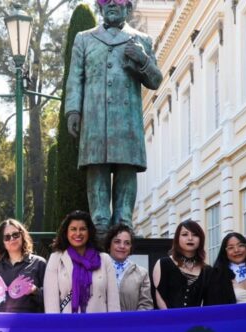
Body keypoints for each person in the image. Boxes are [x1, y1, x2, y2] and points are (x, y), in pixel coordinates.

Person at [64, 0, 163, 233]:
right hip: (94, 117)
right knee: (96, 167)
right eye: (105, 1)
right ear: (100, 7)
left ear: (128, 8)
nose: (111, 5)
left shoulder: (142, 40)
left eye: (117, 2)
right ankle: (99, 223)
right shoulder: (84, 39)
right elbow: (75, 78)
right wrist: (73, 110)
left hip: (127, 120)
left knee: (126, 168)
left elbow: (156, 80)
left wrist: (142, 59)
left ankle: (123, 222)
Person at [44, 211, 119, 313]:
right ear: (66, 232)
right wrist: (56, 328)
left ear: (89, 232)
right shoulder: (56, 259)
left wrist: (113, 327)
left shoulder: (104, 259)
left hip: (98, 324)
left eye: (83, 229)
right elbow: (51, 302)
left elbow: (113, 301)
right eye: (73, 229)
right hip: (68, 324)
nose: (78, 233)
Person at [152, 220, 234, 309]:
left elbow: (209, 302)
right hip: (167, 320)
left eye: (195, 234)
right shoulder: (163, 264)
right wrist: (171, 319)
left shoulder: (207, 270)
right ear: (177, 238)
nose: (190, 238)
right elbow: (158, 296)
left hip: (196, 321)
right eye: (185, 234)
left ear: (201, 239)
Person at [0, 219, 47, 313]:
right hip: (1, 324)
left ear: (22, 235)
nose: (12, 239)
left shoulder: (39, 263)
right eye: (7, 237)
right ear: (2, 242)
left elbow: (51, 300)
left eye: (15, 235)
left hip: (30, 323)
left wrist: (34, 290)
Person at [105, 224, 152, 311]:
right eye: (117, 242)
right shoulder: (97, 269)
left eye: (127, 243)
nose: (122, 246)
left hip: (131, 323)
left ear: (131, 247)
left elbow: (146, 305)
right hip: (102, 323)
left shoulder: (142, 273)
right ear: (109, 245)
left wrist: (133, 322)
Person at [213, 232, 246, 304]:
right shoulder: (217, 277)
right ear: (225, 252)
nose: (236, 250)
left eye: (241, 245)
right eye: (230, 248)